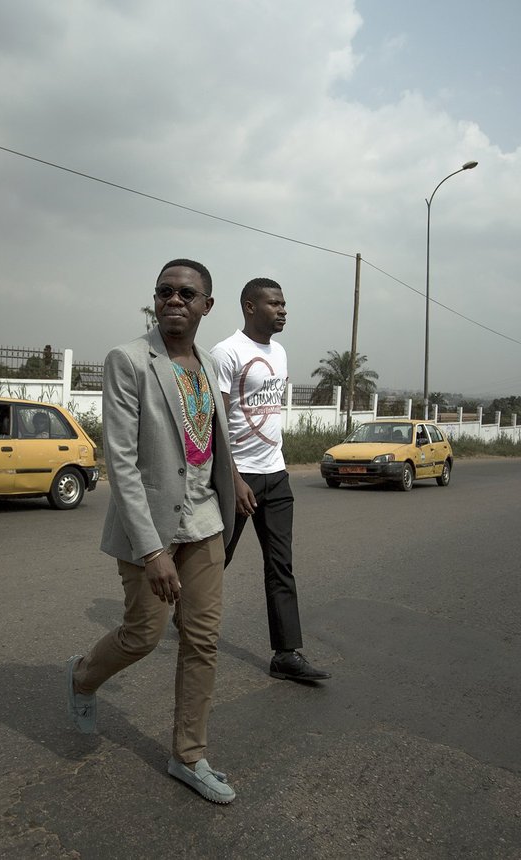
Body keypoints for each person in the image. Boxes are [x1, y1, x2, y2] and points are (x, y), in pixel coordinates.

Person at [66, 258, 255, 805]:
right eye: (164, 291)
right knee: (143, 636)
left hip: (206, 523)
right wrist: (151, 550)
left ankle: (188, 755)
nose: (174, 299)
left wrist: (234, 479)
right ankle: (82, 677)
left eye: (186, 293)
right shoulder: (129, 360)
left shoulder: (208, 364)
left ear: (206, 306)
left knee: (202, 640)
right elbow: (120, 462)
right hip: (151, 528)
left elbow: (209, 437)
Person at [210, 277, 330, 683]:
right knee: (214, 559)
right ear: (249, 306)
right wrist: (234, 478)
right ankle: (186, 611)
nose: (283, 310)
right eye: (274, 303)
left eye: (284, 303)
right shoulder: (225, 353)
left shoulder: (278, 352)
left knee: (281, 565)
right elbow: (216, 423)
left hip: (275, 476)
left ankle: (286, 654)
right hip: (236, 478)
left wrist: (272, 469)